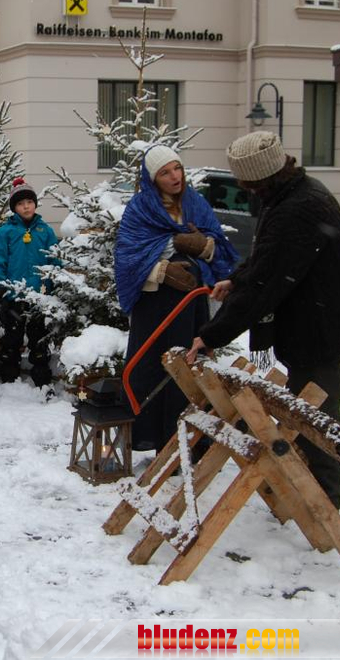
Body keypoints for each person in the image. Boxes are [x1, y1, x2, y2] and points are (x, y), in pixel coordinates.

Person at [186, 131, 340, 509]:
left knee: (316, 421)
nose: (246, 190)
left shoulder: (297, 209)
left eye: (247, 183)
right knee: (306, 413)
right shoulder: (293, 195)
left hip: (319, 331)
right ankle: (309, 492)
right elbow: (265, 259)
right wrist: (237, 280)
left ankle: (323, 506)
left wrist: (211, 335)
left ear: (260, 178)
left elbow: (266, 282)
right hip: (316, 325)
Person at [115, 145, 238, 452]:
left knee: (189, 368)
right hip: (154, 307)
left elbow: (219, 249)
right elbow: (127, 260)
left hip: (190, 306)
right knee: (153, 368)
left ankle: (192, 442)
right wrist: (162, 270)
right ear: (152, 178)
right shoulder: (140, 208)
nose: (175, 177)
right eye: (165, 172)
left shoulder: (195, 203)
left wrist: (203, 246)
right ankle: (155, 439)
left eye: (177, 168)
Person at [0, 178, 59, 389]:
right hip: (13, 295)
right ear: (14, 208)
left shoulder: (45, 231)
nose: (26, 206)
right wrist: (0, 286)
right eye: (21, 204)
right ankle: (8, 376)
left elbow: (55, 258)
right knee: (13, 337)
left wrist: (54, 281)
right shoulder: (5, 232)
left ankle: (42, 376)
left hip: (39, 294)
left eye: (29, 202)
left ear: (35, 204)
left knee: (38, 337)